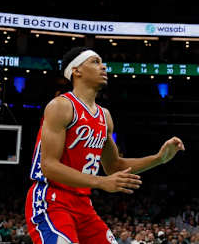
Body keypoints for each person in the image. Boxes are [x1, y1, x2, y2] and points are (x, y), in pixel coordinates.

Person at [25, 47, 185, 244]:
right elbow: (48, 166)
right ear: (77, 70)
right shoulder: (61, 106)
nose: (103, 66)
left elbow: (115, 166)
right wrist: (100, 182)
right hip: (50, 200)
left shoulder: (105, 116)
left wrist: (159, 158)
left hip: (83, 204)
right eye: (95, 62)